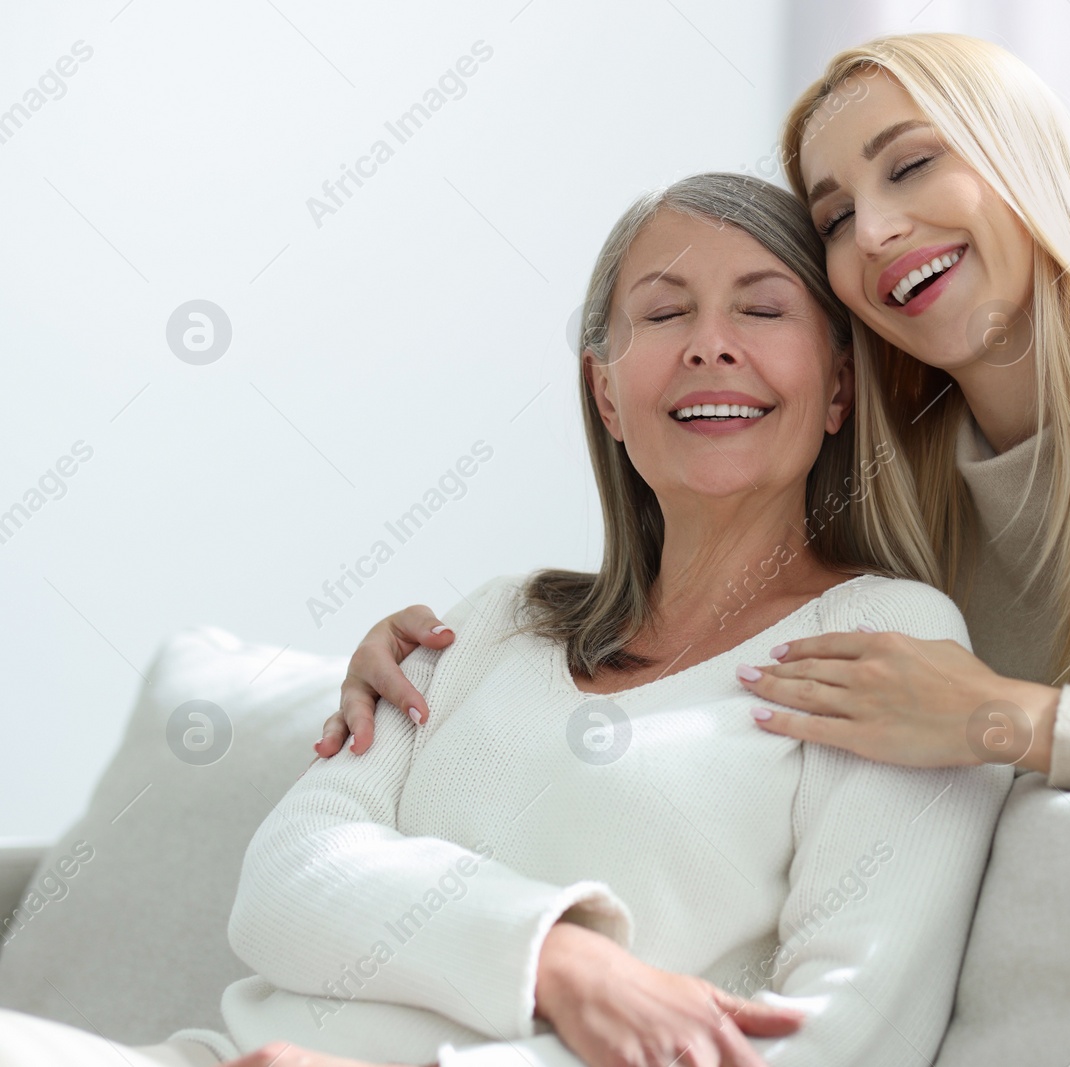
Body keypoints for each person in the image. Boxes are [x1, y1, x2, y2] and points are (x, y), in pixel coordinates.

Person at [0, 173, 1010, 1067]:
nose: (710, 342)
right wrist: (556, 956)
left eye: (761, 308)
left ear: (837, 384)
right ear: (605, 393)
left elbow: (841, 1040)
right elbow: (285, 879)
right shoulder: (498, 620)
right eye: (663, 314)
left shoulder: (888, 640)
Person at [323, 33, 1070, 789]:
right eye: (833, 214)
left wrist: (1010, 721)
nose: (875, 230)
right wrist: (455, 656)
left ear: (1021, 163)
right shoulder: (901, 490)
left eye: (910, 165)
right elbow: (688, 639)